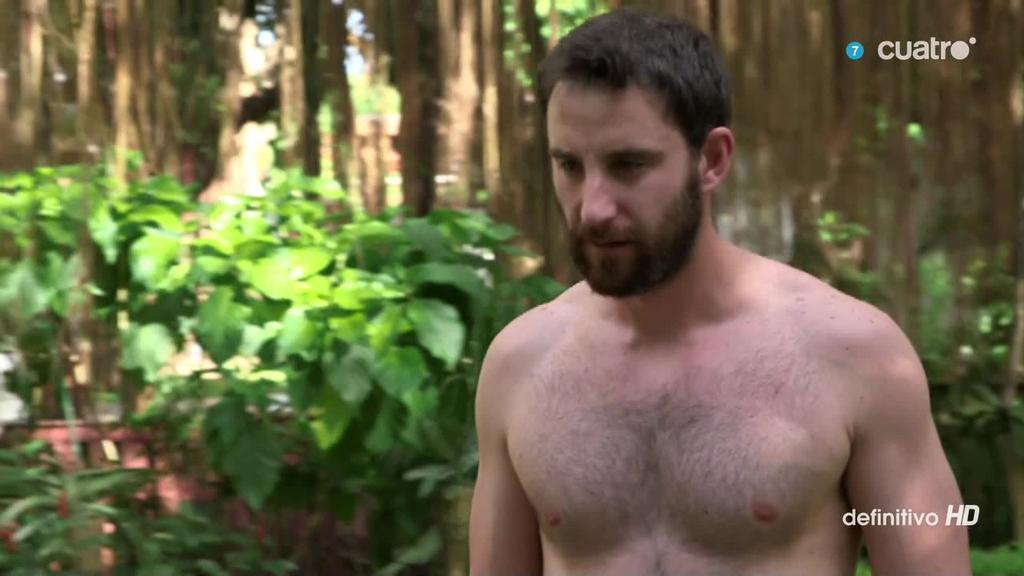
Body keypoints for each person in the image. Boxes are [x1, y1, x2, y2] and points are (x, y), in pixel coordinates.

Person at [467, 8, 971, 576]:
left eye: (628, 165)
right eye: (569, 166)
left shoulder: (856, 356)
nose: (594, 208)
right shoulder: (520, 365)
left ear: (711, 160)